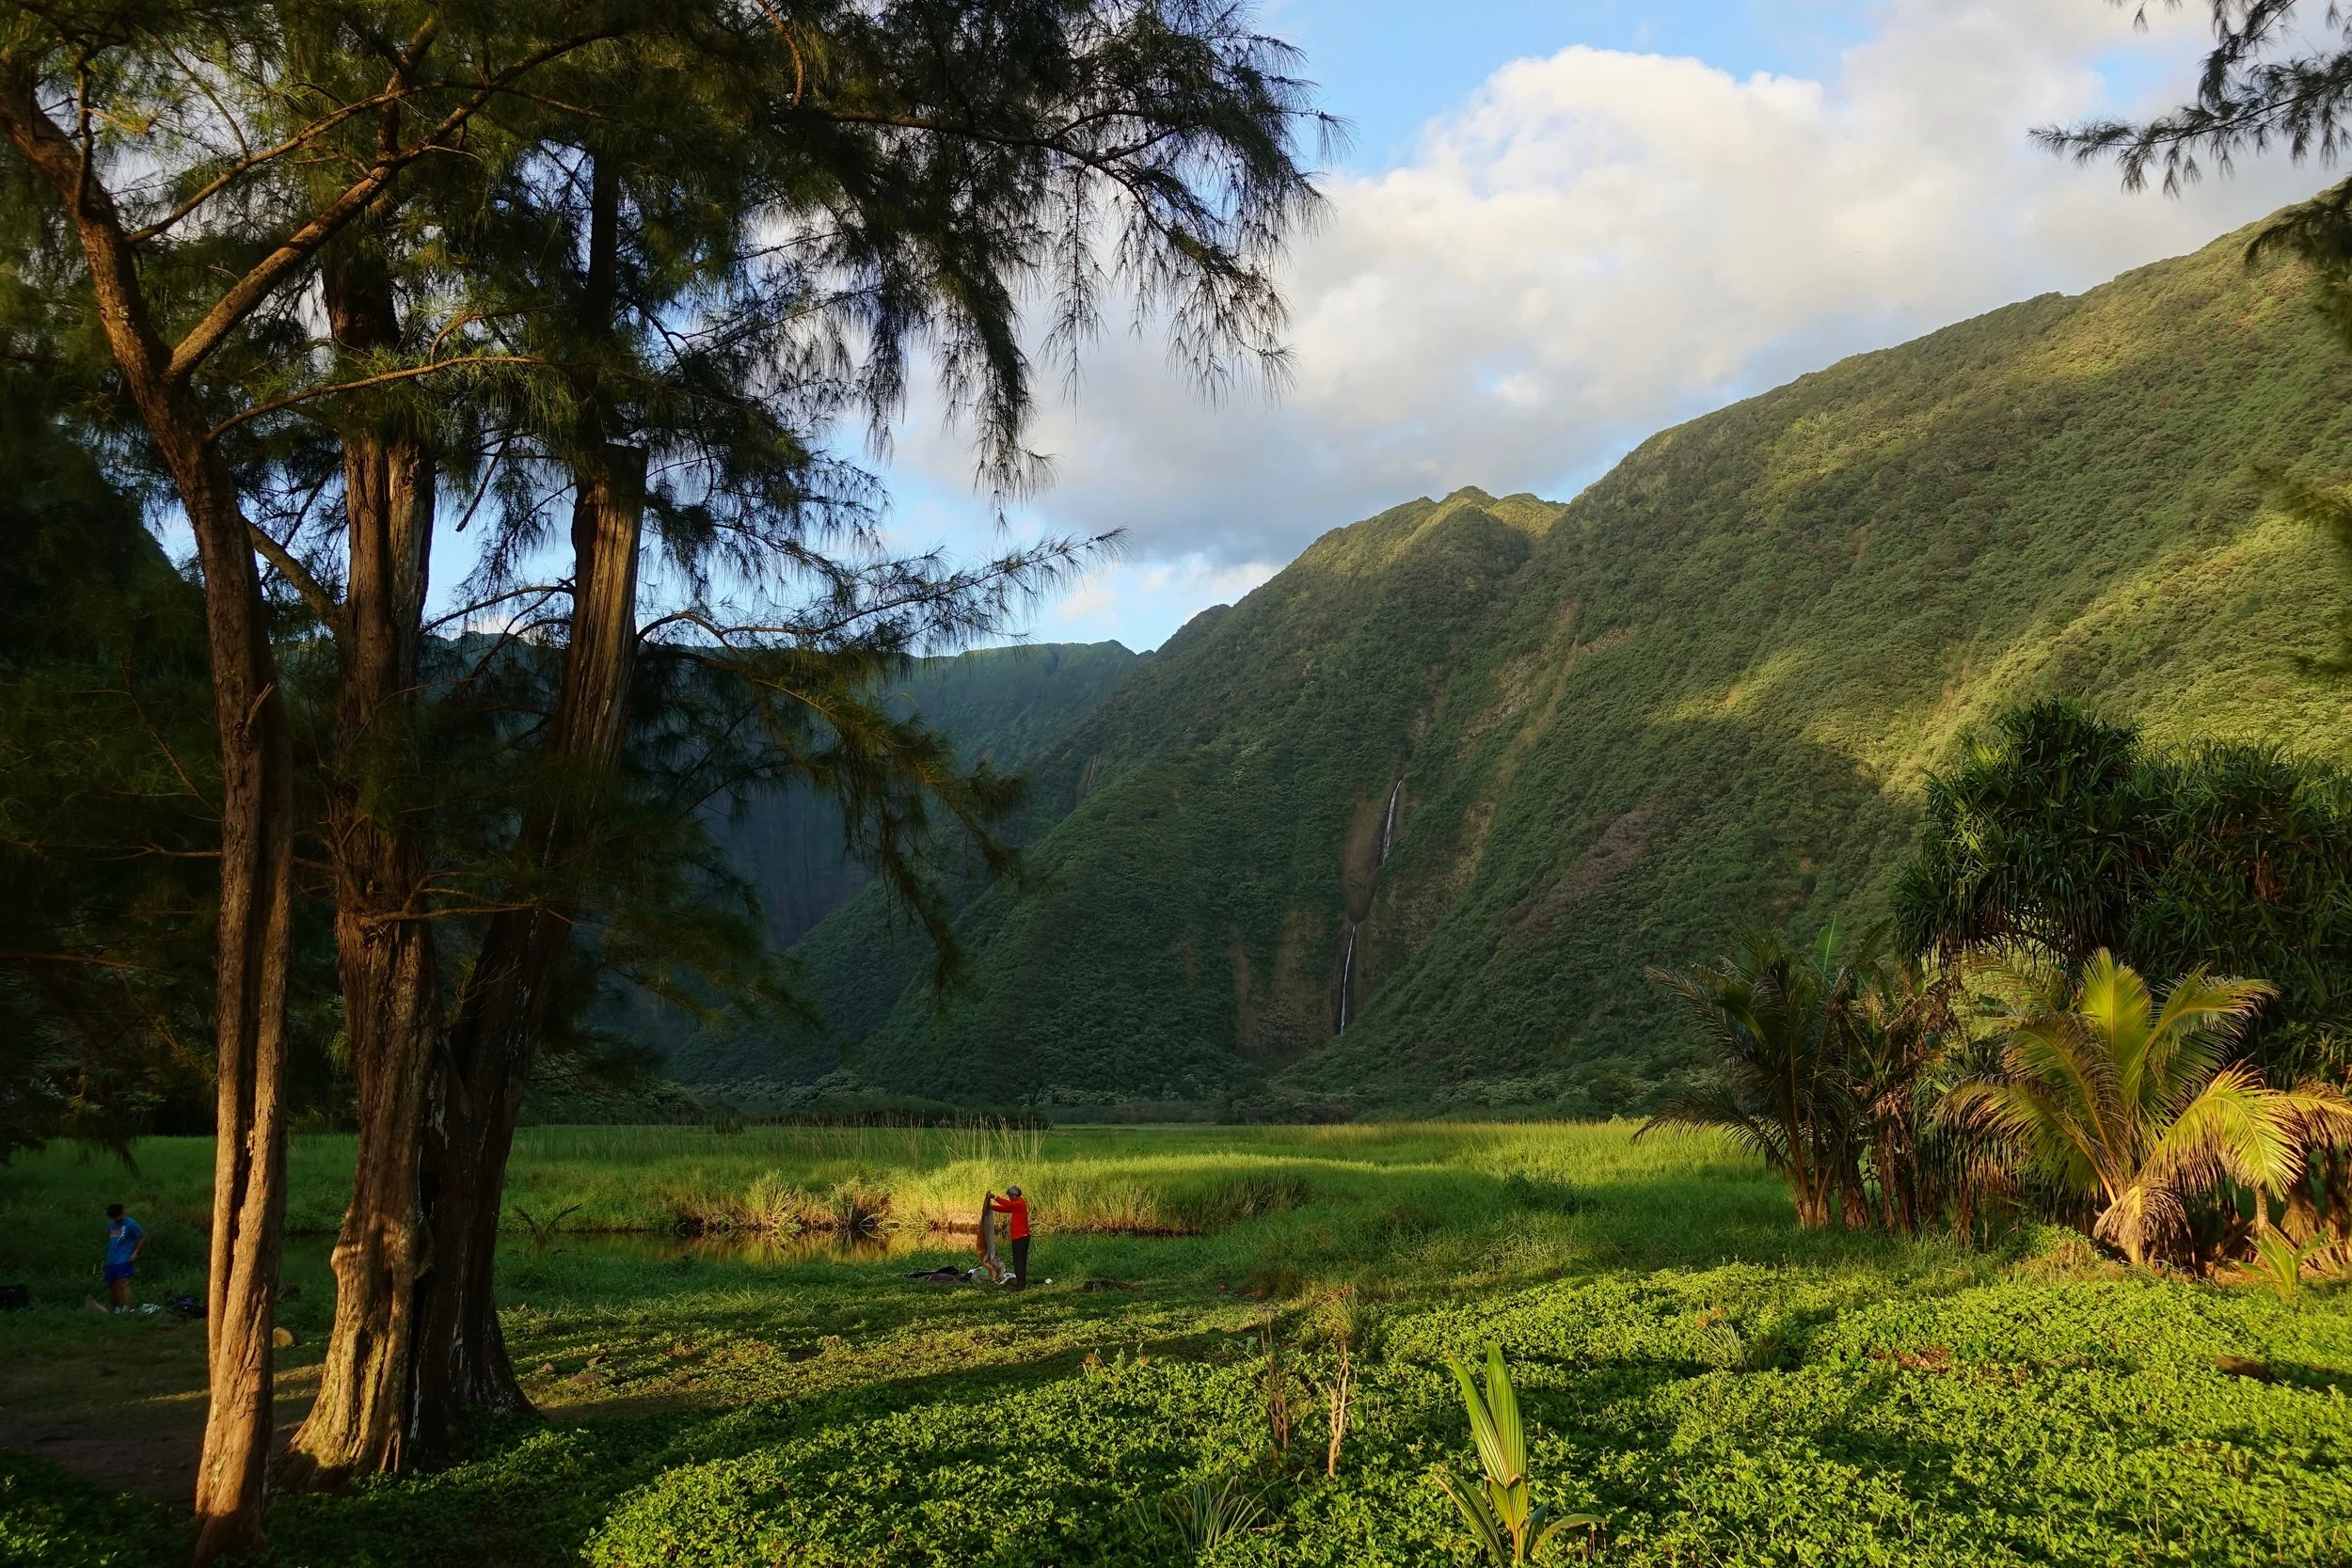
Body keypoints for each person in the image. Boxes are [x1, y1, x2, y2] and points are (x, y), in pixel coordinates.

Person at [103, 1203, 145, 1312]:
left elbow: (142, 1237)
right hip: (111, 1259)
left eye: (116, 1217)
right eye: (112, 1217)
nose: (114, 1219)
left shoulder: (131, 1224)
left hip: (124, 1258)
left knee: (123, 1283)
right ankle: (115, 1309)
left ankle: (130, 1310)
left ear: (122, 1214)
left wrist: (135, 1253)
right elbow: (110, 1238)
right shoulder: (111, 1225)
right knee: (111, 1285)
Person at [988, 1186, 1030, 1289]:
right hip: (1018, 1237)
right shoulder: (1016, 1205)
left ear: (1015, 1195)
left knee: (1019, 1261)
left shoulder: (1019, 1203)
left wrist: (995, 1197)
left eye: (1010, 1196)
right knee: (1018, 1260)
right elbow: (1006, 1208)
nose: (1009, 1198)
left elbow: (1008, 1204)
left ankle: (1021, 1284)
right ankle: (1021, 1282)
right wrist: (992, 1208)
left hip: (1021, 1238)